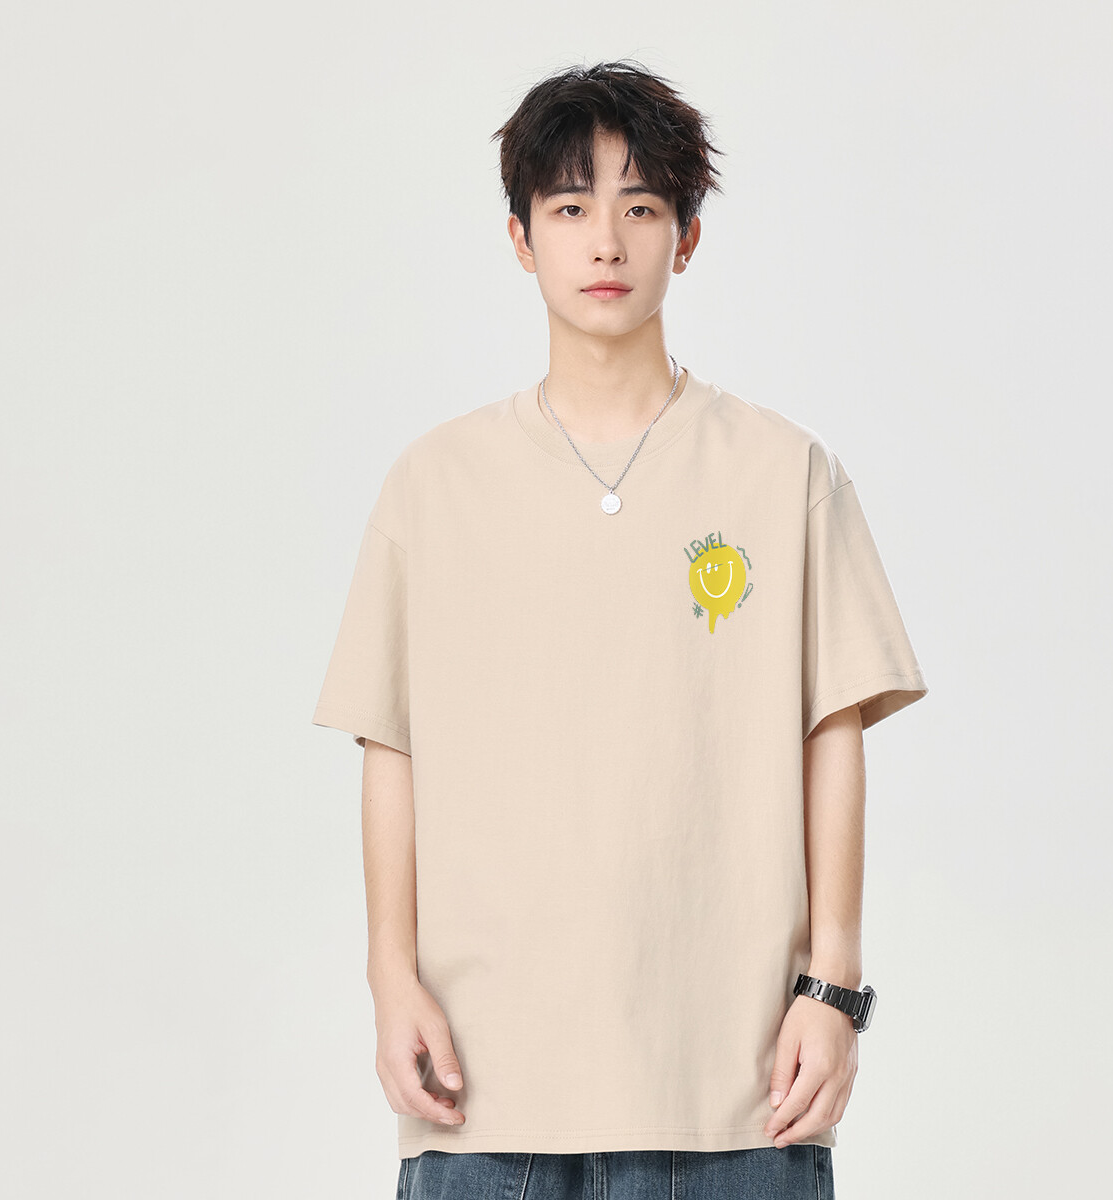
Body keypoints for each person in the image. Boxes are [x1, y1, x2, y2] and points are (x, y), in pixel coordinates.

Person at [312, 59, 928, 1200]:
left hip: (736, 1091)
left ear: (686, 238)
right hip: (485, 1095)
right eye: (569, 208)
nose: (605, 242)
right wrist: (389, 979)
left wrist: (832, 987)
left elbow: (832, 729)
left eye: (640, 208)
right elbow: (389, 743)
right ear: (519, 237)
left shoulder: (784, 472)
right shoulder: (433, 485)